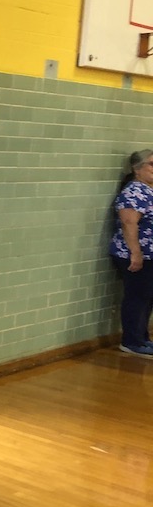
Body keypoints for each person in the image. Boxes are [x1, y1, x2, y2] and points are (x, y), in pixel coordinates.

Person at [109, 149, 153, 356]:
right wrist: (136, 253)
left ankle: (142, 338)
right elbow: (129, 223)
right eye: (151, 164)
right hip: (135, 255)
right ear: (137, 169)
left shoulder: (148, 190)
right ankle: (131, 341)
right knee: (137, 297)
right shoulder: (134, 192)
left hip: (150, 255)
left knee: (147, 297)